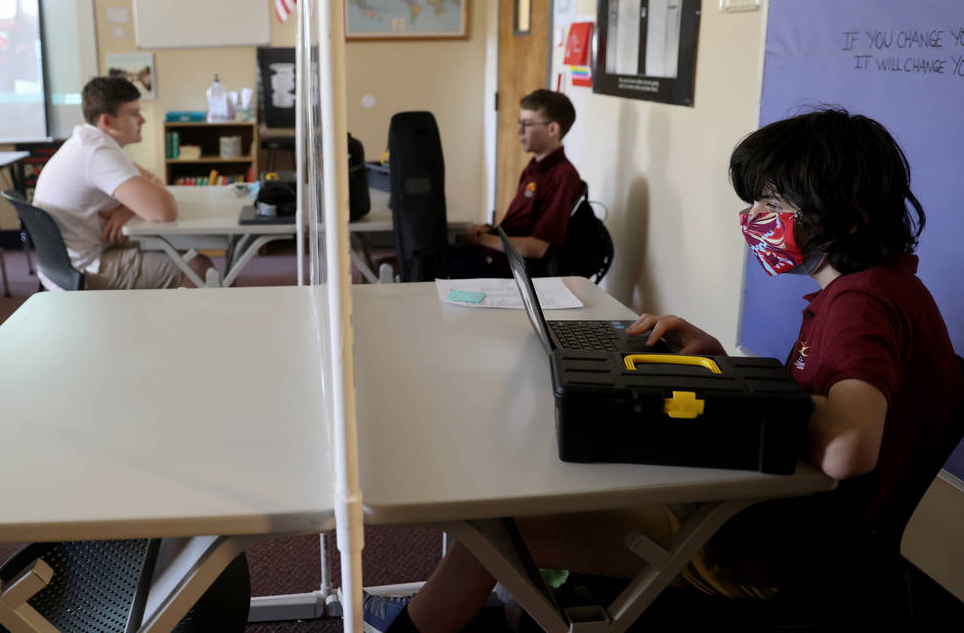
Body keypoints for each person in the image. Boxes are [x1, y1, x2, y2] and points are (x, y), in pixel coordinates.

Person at [364, 108, 963, 633]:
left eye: (774, 204)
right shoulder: (881, 291)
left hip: (758, 549)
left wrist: (733, 387)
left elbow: (847, 448)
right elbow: (821, 406)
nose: (753, 217)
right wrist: (720, 366)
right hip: (782, 523)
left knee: (494, 528)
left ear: (850, 216)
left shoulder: (861, 304)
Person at [33, 76, 214, 290]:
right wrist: (135, 204)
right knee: (198, 267)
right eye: (134, 114)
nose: (143, 120)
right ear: (107, 121)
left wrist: (127, 209)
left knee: (175, 248)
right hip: (87, 270)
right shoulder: (98, 153)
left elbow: (154, 182)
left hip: (68, 264)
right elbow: (164, 211)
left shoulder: (89, 142)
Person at [455, 89, 583, 276]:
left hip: (511, 269)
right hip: (497, 253)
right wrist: (486, 231)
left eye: (527, 124)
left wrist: (482, 239)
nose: (519, 130)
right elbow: (519, 226)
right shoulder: (533, 168)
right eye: (519, 123)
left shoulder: (563, 177)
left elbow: (538, 247)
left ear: (552, 129)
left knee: (436, 272)